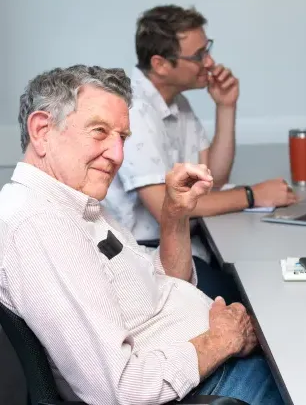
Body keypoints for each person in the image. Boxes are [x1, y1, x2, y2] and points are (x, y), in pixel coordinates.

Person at [0, 65, 285, 404]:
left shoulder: (75, 201)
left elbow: (165, 283)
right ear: (42, 130)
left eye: (122, 137)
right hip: (208, 387)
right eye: (100, 132)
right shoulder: (41, 225)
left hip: (210, 365)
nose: (118, 155)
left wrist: (175, 213)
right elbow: (120, 389)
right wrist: (223, 340)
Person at [103, 5, 297, 262]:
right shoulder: (134, 111)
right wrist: (252, 195)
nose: (210, 62)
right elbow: (167, 209)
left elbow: (213, 179)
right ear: (160, 65)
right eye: (199, 56)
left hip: (186, 244)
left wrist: (226, 106)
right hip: (147, 257)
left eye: (208, 50)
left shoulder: (175, 102)